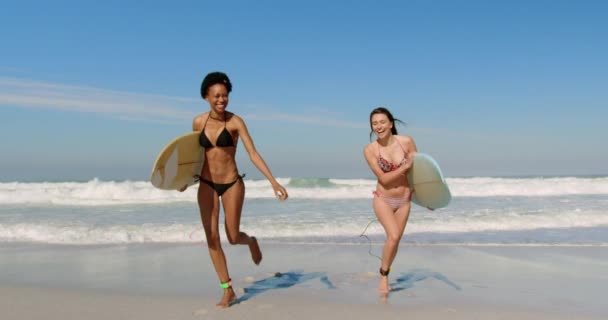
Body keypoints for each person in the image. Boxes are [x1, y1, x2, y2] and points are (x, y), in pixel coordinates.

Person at [181, 71, 288, 308]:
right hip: (206, 184)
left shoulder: (235, 122)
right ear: (206, 97)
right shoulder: (198, 122)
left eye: (225, 96)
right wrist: (183, 180)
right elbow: (193, 156)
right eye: (216, 96)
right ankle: (227, 289)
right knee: (211, 237)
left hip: (232, 184)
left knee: (232, 236)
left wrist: (273, 182)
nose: (221, 100)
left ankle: (250, 241)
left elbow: (252, 153)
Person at [362, 107, 417, 295]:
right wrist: (406, 166)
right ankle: (383, 275)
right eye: (374, 123)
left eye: (382, 122)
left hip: (404, 200)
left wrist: (428, 197)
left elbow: (419, 173)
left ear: (391, 124)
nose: (379, 126)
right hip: (383, 199)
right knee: (393, 236)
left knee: (395, 241)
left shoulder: (407, 142)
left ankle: (386, 271)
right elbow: (384, 179)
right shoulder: (370, 150)